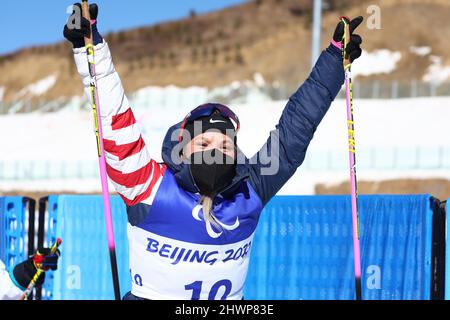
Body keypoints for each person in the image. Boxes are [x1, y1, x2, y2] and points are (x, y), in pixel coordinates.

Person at [63, 3, 363, 300]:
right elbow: (115, 121)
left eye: (224, 145)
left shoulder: (252, 187)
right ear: (183, 148)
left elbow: (293, 134)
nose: (216, 152)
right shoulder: (147, 184)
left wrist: (334, 62)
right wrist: (90, 48)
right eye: (204, 144)